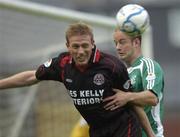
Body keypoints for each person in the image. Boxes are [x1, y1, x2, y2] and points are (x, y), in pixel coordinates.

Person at [0, 22, 154, 137]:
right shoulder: (61, 64)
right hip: (96, 131)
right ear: (68, 46)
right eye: (75, 46)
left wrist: (151, 135)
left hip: (123, 129)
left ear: (93, 44)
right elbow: (30, 77)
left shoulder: (112, 66)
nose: (81, 51)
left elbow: (134, 103)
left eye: (85, 45)